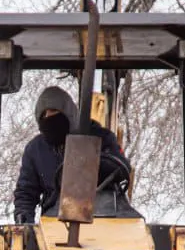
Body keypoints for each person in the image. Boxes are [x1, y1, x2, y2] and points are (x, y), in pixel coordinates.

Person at [12, 85, 132, 224]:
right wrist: (24, 221)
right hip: (55, 217)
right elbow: (26, 192)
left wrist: (90, 164)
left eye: (53, 111)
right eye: (44, 115)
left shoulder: (100, 137)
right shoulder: (36, 149)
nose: (49, 118)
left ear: (67, 112)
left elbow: (122, 168)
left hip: (107, 212)